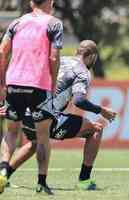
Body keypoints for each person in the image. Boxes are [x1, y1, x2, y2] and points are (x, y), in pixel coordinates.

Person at [0, 40, 117, 194]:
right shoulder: (82, 71)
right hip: (47, 116)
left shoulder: (61, 60)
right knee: (96, 129)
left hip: (27, 111)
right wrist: (102, 111)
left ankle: (4, 175)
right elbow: (79, 100)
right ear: (91, 56)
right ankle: (84, 180)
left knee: (35, 142)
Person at [0, 0, 63, 194]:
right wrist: (52, 85)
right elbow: (53, 58)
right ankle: (41, 183)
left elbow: (2, 52)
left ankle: (2, 172)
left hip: (14, 83)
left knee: (11, 132)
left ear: (30, 2)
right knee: (42, 137)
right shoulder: (54, 23)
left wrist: (2, 84)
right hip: (39, 84)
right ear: (50, 2)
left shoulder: (16, 23)